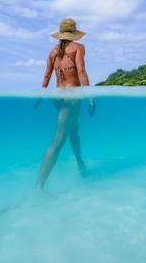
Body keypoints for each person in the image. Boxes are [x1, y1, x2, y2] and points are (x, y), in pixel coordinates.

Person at [35, 18, 96, 190]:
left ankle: (79, 163)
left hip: (57, 96)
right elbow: (81, 71)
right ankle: (39, 187)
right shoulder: (78, 47)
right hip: (72, 96)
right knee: (59, 139)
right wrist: (91, 96)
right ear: (73, 34)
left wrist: (41, 94)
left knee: (73, 129)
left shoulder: (52, 52)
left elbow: (47, 76)